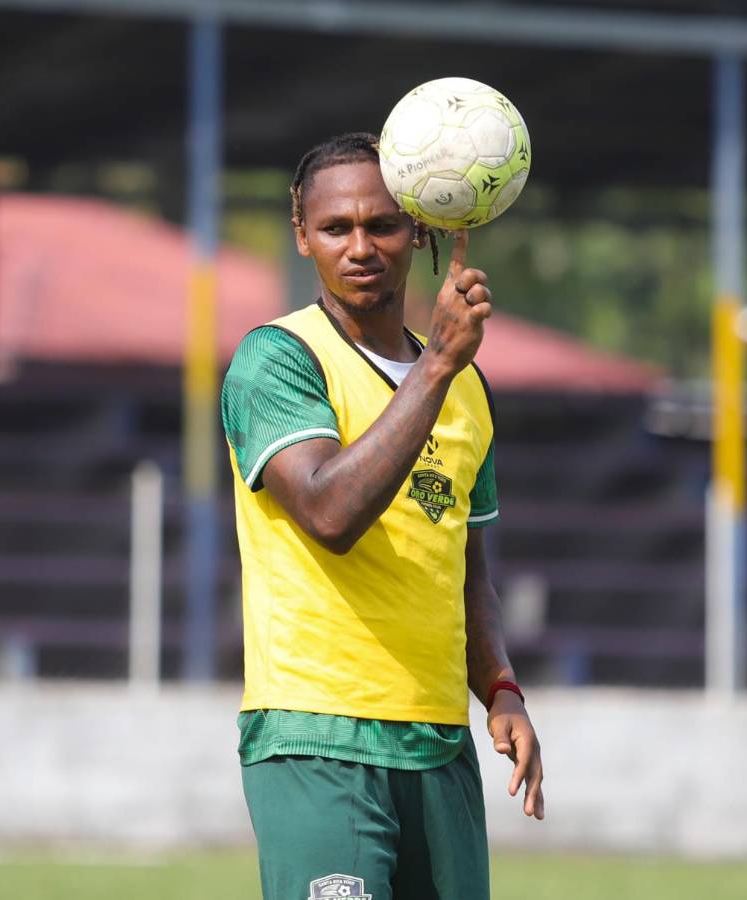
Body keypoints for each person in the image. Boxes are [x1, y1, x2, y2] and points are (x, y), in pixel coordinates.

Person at [221, 132, 543, 900]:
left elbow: (467, 571)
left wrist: (500, 688)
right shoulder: (277, 359)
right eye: (336, 228)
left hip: (438, 743)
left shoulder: (468, 389)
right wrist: (436, 368)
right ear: (303, 235)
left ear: (420, 231)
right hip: (317, 736)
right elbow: (331, 513)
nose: (360, 246)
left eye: (383, 224)